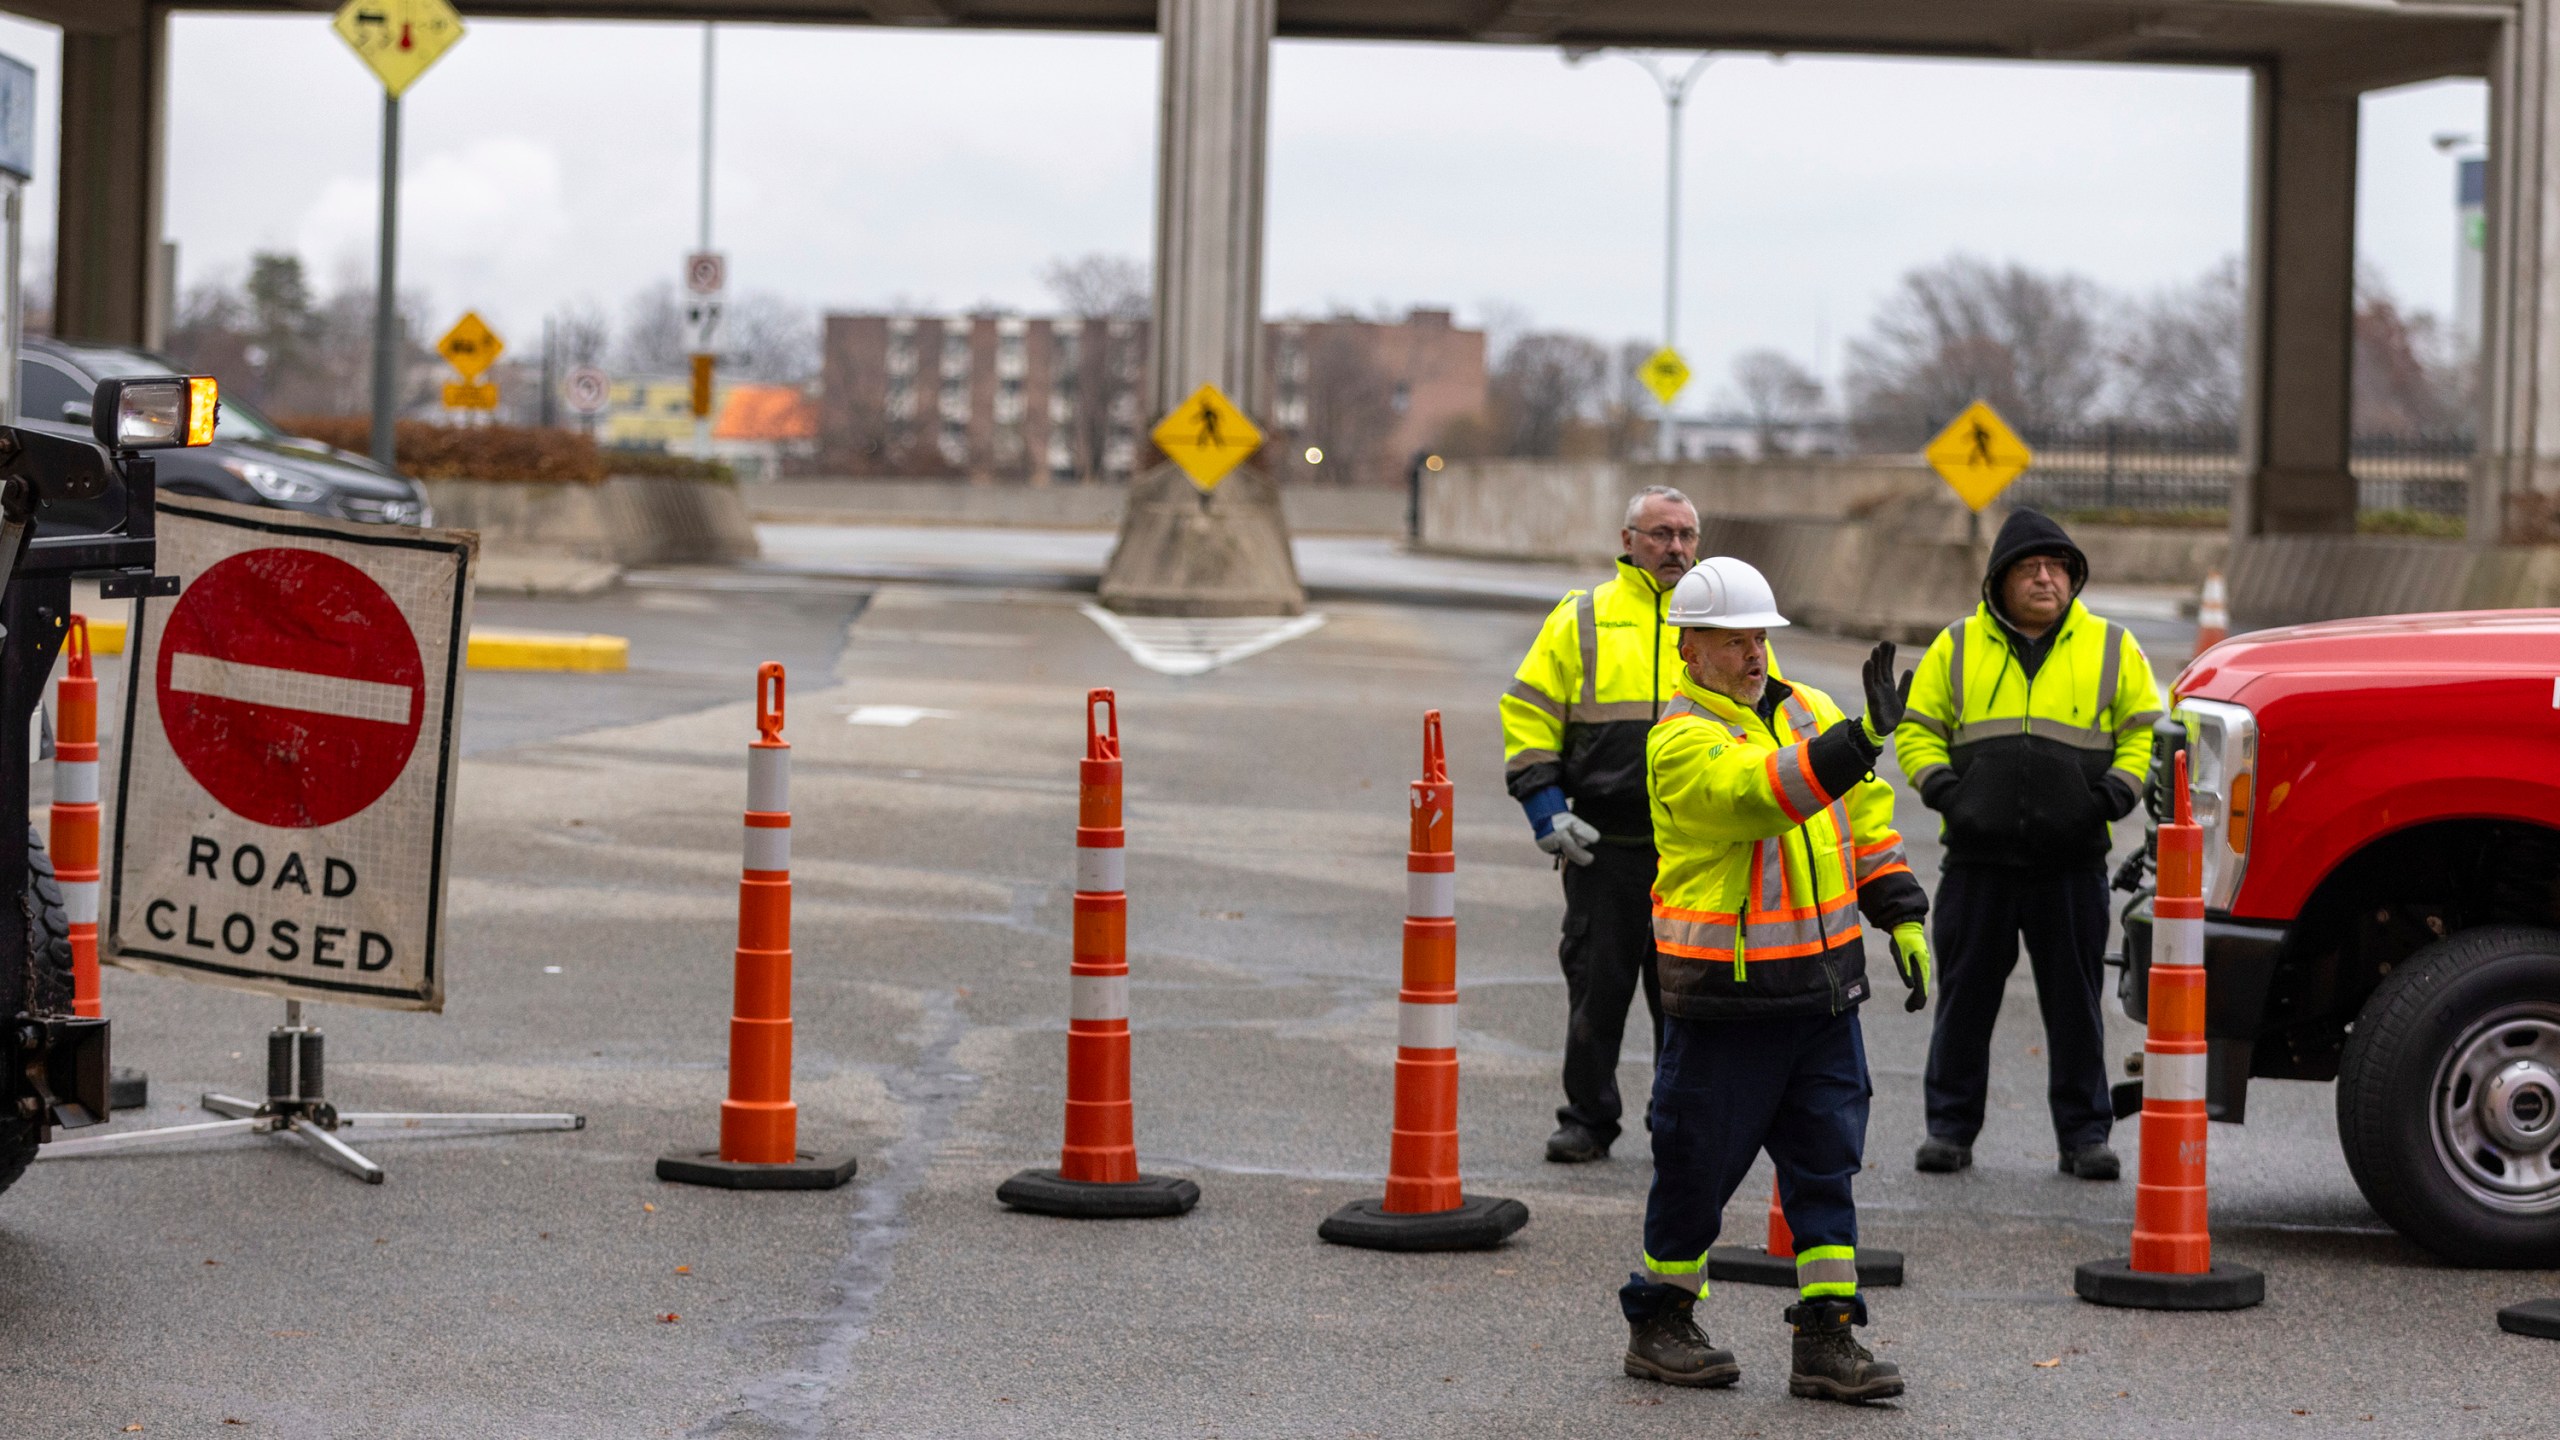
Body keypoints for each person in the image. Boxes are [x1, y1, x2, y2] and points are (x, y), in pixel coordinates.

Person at [1615, 556, 1931, 1404]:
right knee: (1696, 1164)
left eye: (1760, 636)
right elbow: (1760, 796)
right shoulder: (1680, 738)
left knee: (1827, 1164)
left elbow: (1862, 815)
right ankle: (1659, 1320)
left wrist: (1897, 907)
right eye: (1732, 641)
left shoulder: (1808, 711)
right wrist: (1858, 741)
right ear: (1690, 651)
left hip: (1823, 991)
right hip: (1728, 994)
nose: (1753, 654)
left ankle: (1828, 1338)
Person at [1893, 508, 2162, 1181]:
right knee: (1964, 1001)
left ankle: (2084, 1138)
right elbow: (1916, 731)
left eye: (2058, 568)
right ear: (1998, 582)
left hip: (2071, 866)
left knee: (2074, 1007)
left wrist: (2112, 800)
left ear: (2073, 579)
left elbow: (2146, 735)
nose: (2045, 578)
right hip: (1977, 865)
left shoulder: (2112, 647)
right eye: (2029, 568)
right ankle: (1949, 1131)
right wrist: (1951, 796)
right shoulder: (1955, 647)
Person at [1500, 485, 1697, 1164]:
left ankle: (1680, 1123)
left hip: (1693, 848)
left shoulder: (1719, 617)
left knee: (1689, 1000)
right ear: (1627, 540)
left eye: (1686, 535)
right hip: (1603, 846)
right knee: (1596, 990)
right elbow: (1527, 714)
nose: (1675, 547)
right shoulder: (1582, 617)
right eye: (1660, 533)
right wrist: (1544, 808)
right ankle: (1587, 1119)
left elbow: (1765, 721)